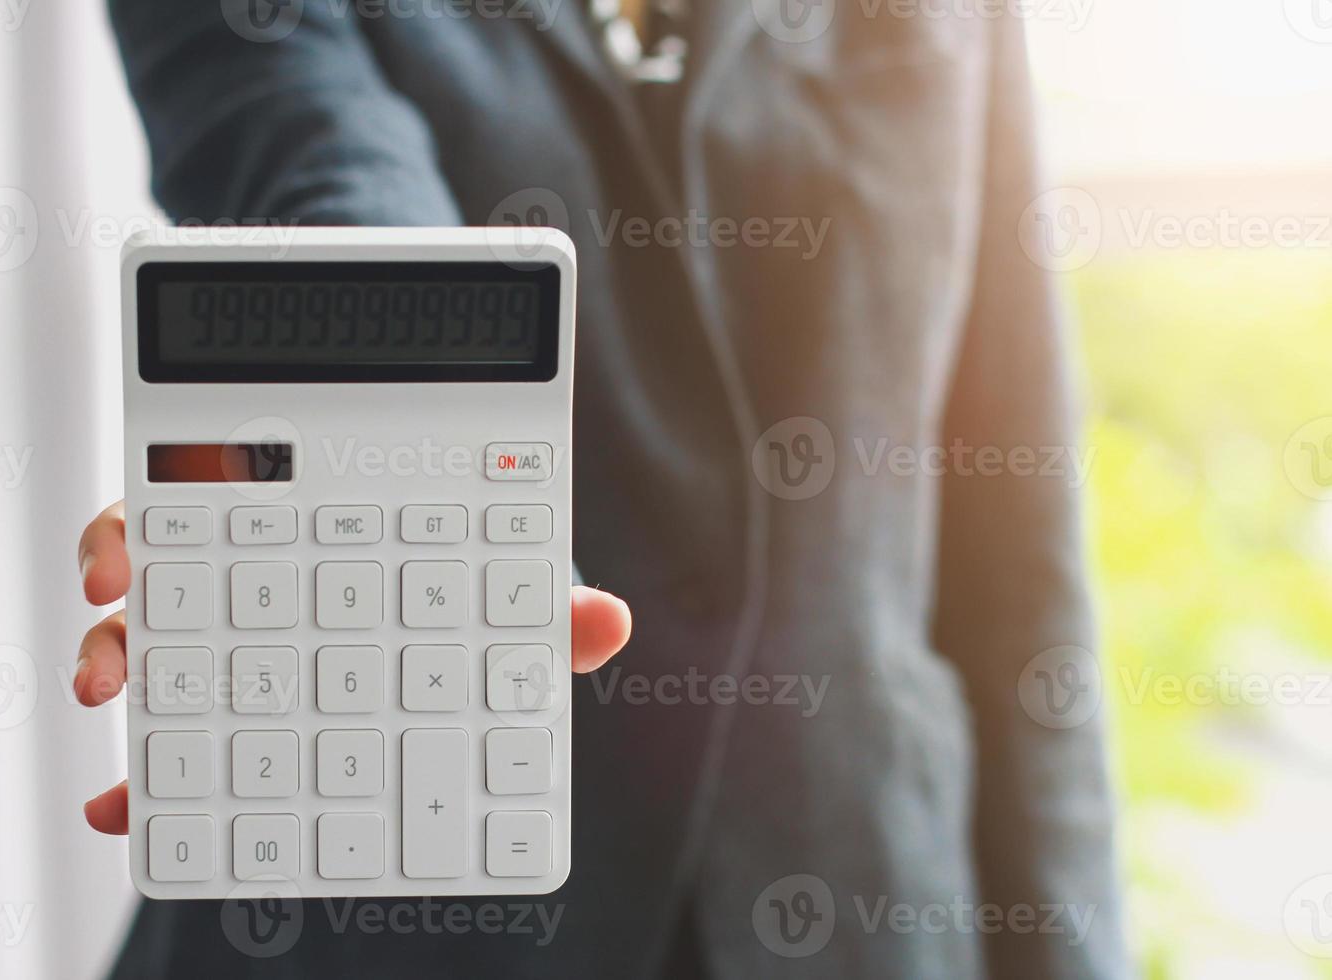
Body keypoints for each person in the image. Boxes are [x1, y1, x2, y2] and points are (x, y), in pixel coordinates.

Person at [75, 0, 1128, 976]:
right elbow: (327, 168)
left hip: (861, 885)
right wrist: (394, 471)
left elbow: (1015, 508)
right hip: (401, 880)